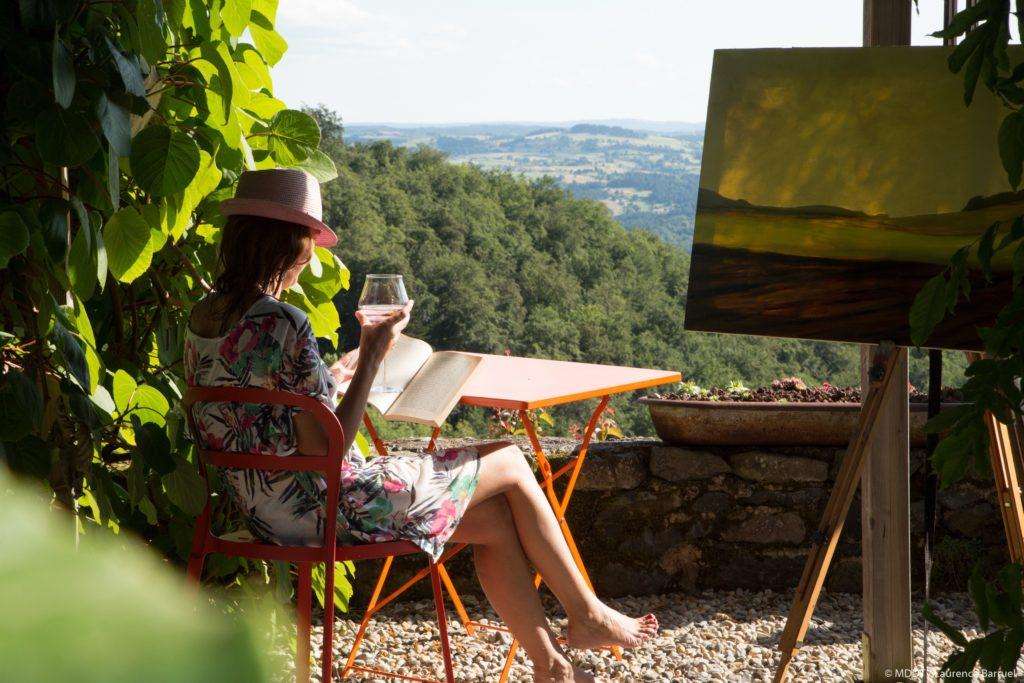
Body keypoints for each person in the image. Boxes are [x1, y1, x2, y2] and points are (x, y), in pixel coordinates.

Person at [184, 168, 658, 683]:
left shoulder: (202, 319)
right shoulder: (282, 321)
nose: (312, 257)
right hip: (322, 509)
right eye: (308, 244)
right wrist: (371, 358)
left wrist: (334, 374)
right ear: (281, 244)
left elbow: (273, 417)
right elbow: (331, 450)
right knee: (510, 459)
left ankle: (552, 666)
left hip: (258, 511)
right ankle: (586, 613)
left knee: (496, 522)